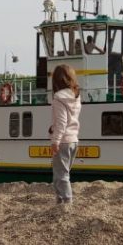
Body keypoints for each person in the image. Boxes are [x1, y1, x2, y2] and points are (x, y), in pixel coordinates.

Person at [50, 64, 82, 205]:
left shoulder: (58, 98)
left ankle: (67, 202)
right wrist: (54, 127)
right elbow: (70, 120)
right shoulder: (76, 96)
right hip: (74, 140)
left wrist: (55, 141)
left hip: (63, 141)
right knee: (63, 173)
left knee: (61, 174)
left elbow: (62, 122)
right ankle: (60, 200)